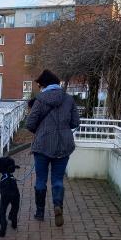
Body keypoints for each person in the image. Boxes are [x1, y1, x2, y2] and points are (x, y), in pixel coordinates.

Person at [26, 69, 80, 227]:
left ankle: (40, 212)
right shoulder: (69, 99)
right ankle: (58, 206)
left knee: (41, 179)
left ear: (45, 85)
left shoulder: (40, 99)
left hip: (42, 145)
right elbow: (75, 123)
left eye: (40, 85)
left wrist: (41, 131)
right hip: (64, 145)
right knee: (57, 179)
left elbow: (30, 123)